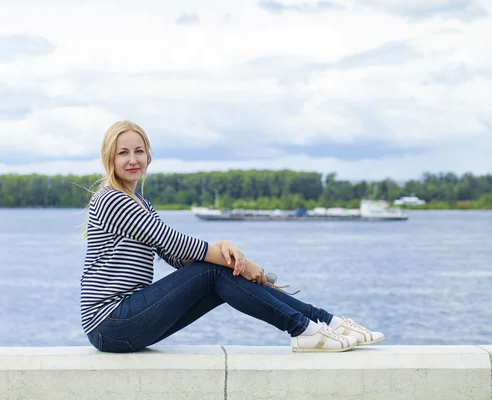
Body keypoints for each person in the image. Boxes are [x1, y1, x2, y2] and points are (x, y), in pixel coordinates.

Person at [81, 120, 384, 353]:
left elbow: (177, 257)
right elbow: (176, 243)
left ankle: (323, 322)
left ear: (148, 155)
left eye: (139, 151)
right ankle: (306, 330)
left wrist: (226, 250)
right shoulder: (112, 199)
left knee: (218, 276)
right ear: (110, 157)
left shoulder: (140, 203)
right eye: (123, 153)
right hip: (110, 323)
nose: (133, 159)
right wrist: (244, 262)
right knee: (213, 270)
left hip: (126, 323)